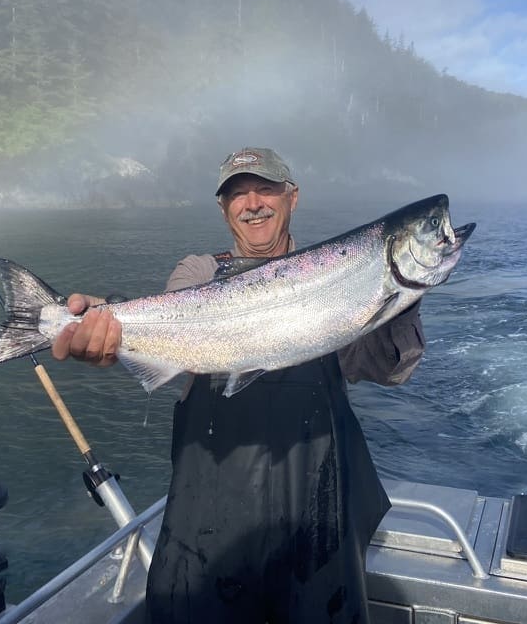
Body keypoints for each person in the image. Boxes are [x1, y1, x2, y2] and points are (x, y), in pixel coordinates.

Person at [52, 147, 426, 623]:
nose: (252, 204)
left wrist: (399, 295)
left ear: (292, 197)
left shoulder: (338, 280)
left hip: (318, 527)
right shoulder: (198, 272)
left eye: (265, 189)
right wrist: (106, 322)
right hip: (208, 532)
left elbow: (389, 370)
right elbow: (169, 317)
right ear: (223, 208)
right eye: (237, 194)